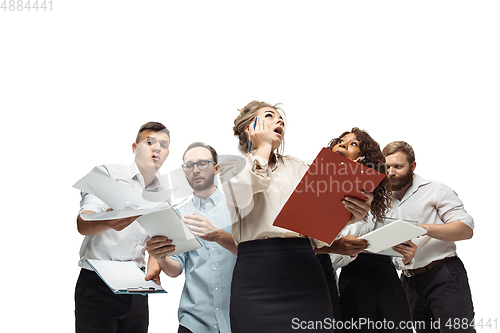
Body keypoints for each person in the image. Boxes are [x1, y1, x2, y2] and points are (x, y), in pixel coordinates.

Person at [219, 101, 373, 333]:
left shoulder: (300, 167)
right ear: (248, 127)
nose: (279, 121)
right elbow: (242, 193)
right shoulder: (231, 166)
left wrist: (350, 216)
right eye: (270, 116)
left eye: (281, 119)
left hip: (305, 271)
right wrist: (262, 147)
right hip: (257, 276)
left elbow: (318, 229)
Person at [75, 121, 170, 333]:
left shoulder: (163, 194)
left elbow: (156, 236)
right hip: (98, 283)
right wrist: (108, 220)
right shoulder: (108, 173)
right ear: (135, 148)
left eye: (163, 145)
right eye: (149, 142)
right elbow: (83, 223)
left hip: (137, 284)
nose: (157, 148)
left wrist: (154, 261)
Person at [327, 129, 415, 333]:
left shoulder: (382, 200)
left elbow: (392, 248)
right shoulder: (319, 187)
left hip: (385, 280)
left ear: (364, 157)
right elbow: (327, 255)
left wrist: (406, 258)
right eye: (340, 141)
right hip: (351, 278)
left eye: (352, 144)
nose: (343, 145)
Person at [383, 141, 475, 333]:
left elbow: (465, 229)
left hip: (443, 275)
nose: (391, 172)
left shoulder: (435, 190)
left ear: (413, 166)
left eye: (398, 166)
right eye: (387, 167)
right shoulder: (382, 200)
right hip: (408, 281)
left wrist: (423, 228)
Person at [145, 142, 237, 333]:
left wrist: (219, 235)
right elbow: (175, 269)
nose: (195, 170)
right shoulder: (178, 214)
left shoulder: (238, 209)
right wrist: (161, 257)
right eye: (189, 165)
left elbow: (253, 254)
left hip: (238, 319)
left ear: (217, 168)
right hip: (194, 322)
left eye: (203, 163)